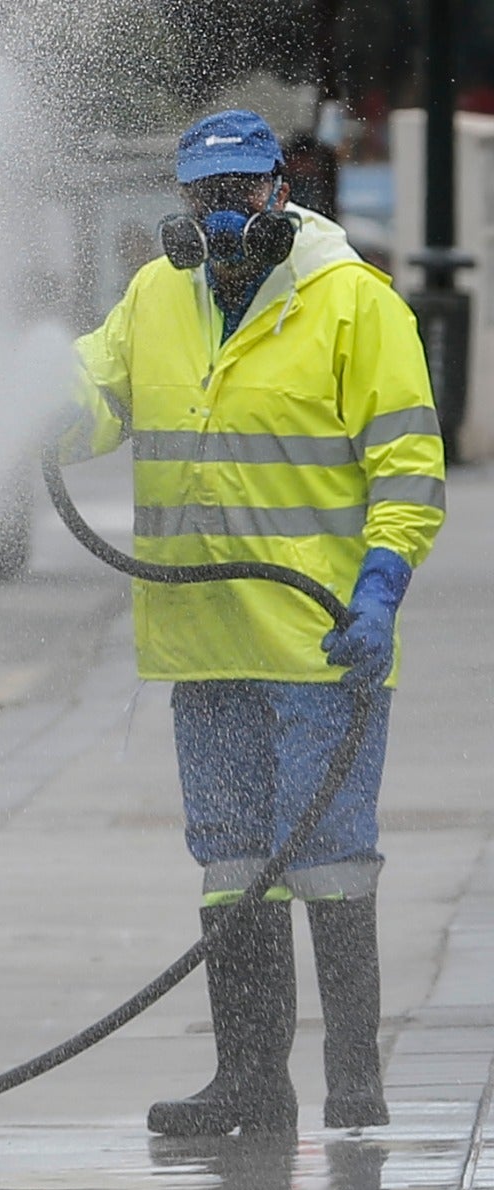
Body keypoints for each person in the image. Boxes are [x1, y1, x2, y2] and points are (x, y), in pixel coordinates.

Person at [60, 110, 446, 1134]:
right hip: (204, 638)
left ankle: (354, 1079)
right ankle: (249, 1080)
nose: (222, 216)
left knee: (325, 852)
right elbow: (93, 401)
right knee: (232, 856)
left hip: (323, 645)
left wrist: (379, 588)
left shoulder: (353, 304)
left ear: (281, 189)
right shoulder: (154, 295)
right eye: (203, 196)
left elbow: (407, 467)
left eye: (239, 192)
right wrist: (31, 403)